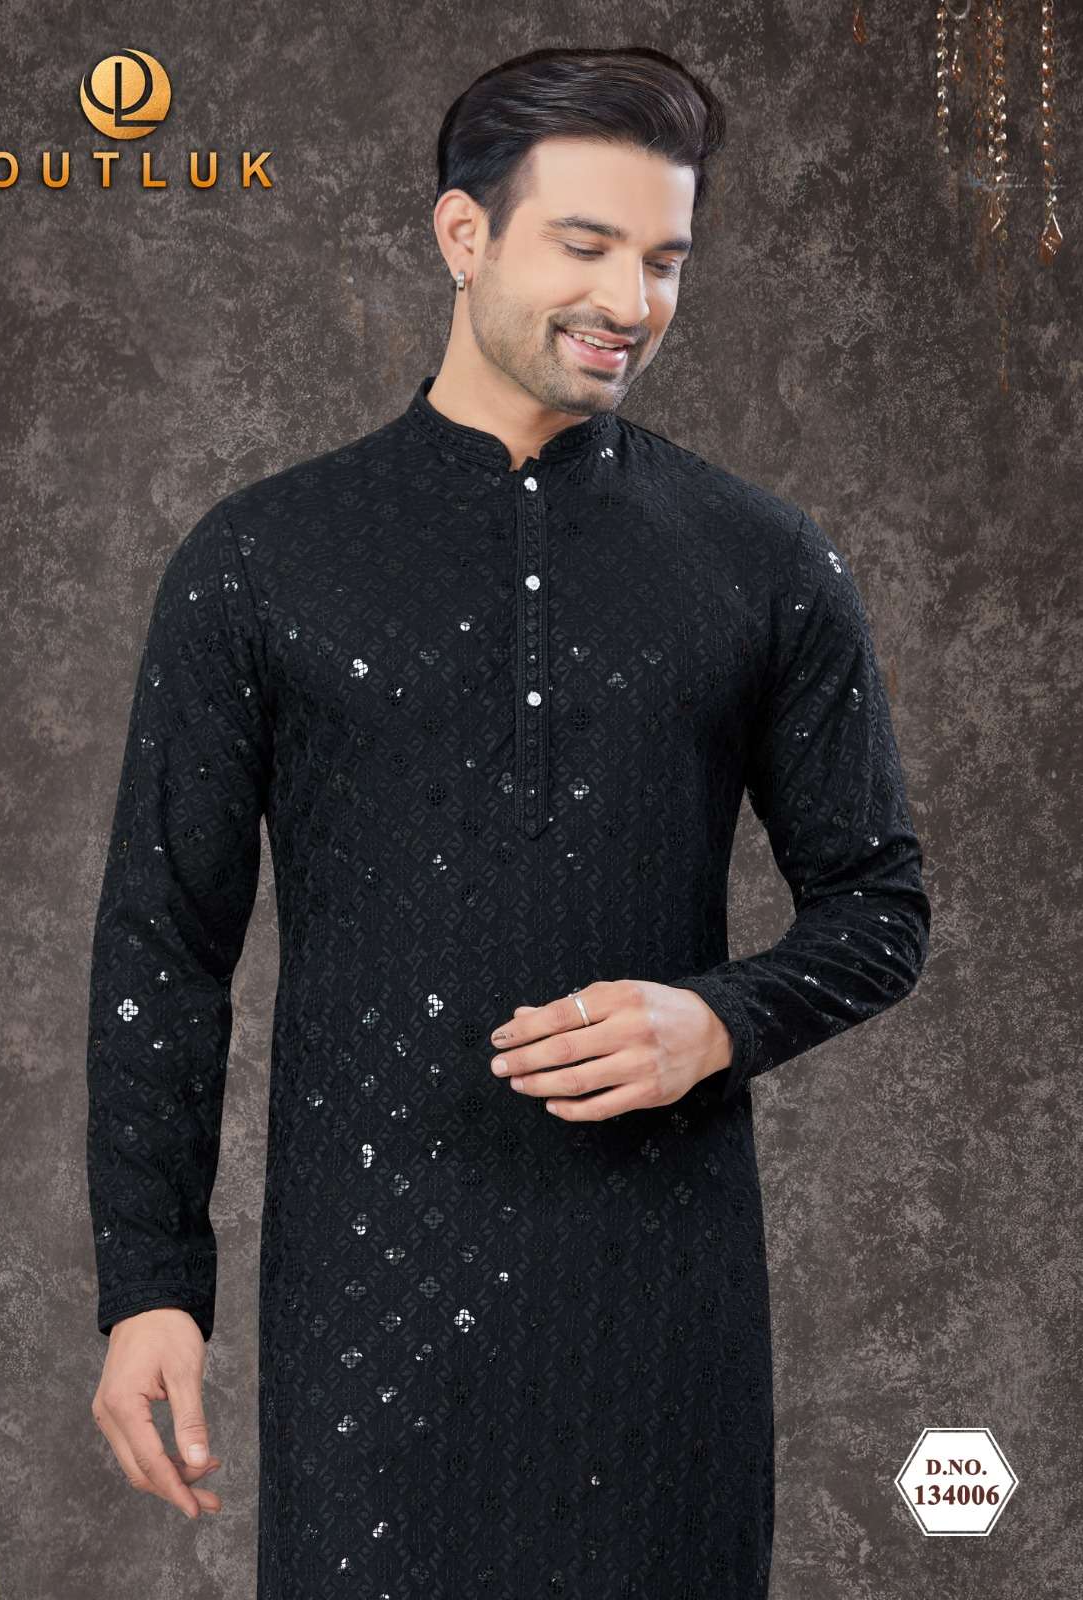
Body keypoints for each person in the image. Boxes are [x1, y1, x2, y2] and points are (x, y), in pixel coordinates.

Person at [86, 45, 930, 1598]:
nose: (629, 300)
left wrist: (717, 1018)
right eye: (585, 245)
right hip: (368, 1307)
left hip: (659, 1308)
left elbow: (879, 905)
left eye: (663, 260)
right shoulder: (261, 558)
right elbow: (164, 943)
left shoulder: (760, 559)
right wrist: (150, 1287)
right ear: (463, 236)